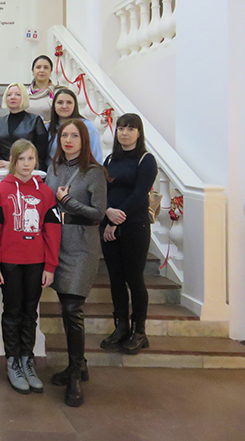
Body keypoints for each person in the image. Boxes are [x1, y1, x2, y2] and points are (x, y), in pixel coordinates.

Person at [0, 139, 61, 394]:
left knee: (30, 313)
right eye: (21, 159)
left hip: (36, 262)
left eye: (31, 159)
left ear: (36, 161)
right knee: (12, 312)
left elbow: (53, 232)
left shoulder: (45, 192)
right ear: (13, 161)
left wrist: (50, 266)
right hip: (9, 263)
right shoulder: (1, 191)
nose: (26, 164)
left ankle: (27, 360)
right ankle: (13, 362)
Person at [45, 119, 108, 407]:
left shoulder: (94, 172)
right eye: (64, 135)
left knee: (73, 308)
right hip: (57, 243)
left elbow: (98, 214)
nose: (68, 140)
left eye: (74, 135)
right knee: (65, 305)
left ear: (84, 140)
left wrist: (68, 201)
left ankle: (74, 375)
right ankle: (78, 365)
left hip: (82, 245)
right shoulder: (54, 168)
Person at [100, 113, 158, 355]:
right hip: (109, 224)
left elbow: (139, 195)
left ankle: (139, 332)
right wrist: (107, 213)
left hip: (135, 226)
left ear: (139, 133)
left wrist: (116, 219)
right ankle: (121, 327)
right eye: (121, 128)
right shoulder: (110, 159)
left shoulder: (146, 160)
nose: (124, 133)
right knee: (115, 278)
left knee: (134, 278)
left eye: (130, 129)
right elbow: (101, 190)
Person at [0, 83, 48, 170]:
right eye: (9, 95)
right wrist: (1, 163)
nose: (12, 97)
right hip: (3, 169)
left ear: (24, 97)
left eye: (17, 94)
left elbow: (42, 151)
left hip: (30, 169)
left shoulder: (35, 120)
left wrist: (15, 164)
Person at [47, 88, 103, 168]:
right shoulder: (48, 128)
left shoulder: (87, 127)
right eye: (60, 102)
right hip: (54, 173)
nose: (64, 106)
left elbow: (96, 156)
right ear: (54, 105)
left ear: (75, 105)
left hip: (82, 172)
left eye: (69, 102)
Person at [27, 55, 56, 121]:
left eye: (46, 68)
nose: (42, 70)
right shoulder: (24, 93)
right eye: (38, 67)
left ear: (50, 71)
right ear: (33, 70)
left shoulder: (57, 92)